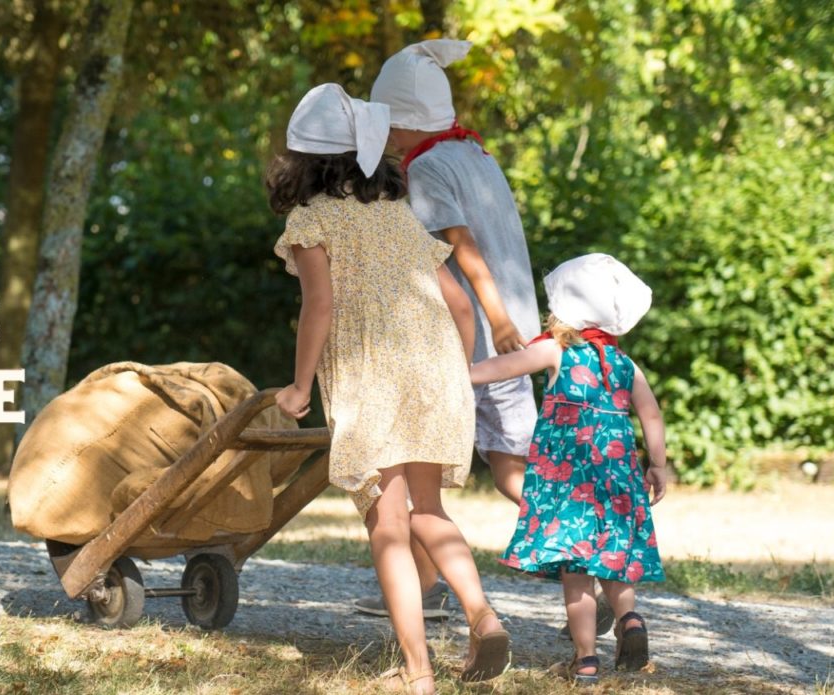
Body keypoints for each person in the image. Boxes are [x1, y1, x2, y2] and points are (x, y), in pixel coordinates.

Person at [358, 39, 616, 637]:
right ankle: (444, 586)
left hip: (473, 339)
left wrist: (495, 319)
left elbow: (462, 245)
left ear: (404, 121)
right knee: (505, 467)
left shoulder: (425, 168)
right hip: (514, 332)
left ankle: (584, 562)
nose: (384, 135)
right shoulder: (474, 153)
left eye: (387, 122)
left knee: (435, 465)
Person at [269, 82, 509, 694]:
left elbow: (319, 307)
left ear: (301, 161)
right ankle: (482, 615)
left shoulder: (311, 219)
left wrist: (299, 387)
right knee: (428, 511)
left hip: (371, 379)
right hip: (436, 376)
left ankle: (417, 669)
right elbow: (460, 306)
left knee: (388, 523)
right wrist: (454, 376)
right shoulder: (396, 215)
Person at [467, 253, 673, 685]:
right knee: (613, 558)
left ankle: (586, 659)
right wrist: (657, 464)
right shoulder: (624, 364)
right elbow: (651, 415)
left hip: (569, 481)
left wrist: (460, 374)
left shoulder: (556, 350)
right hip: (618, 478)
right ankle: (630, 618)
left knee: (576, 569)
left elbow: (500, 368)